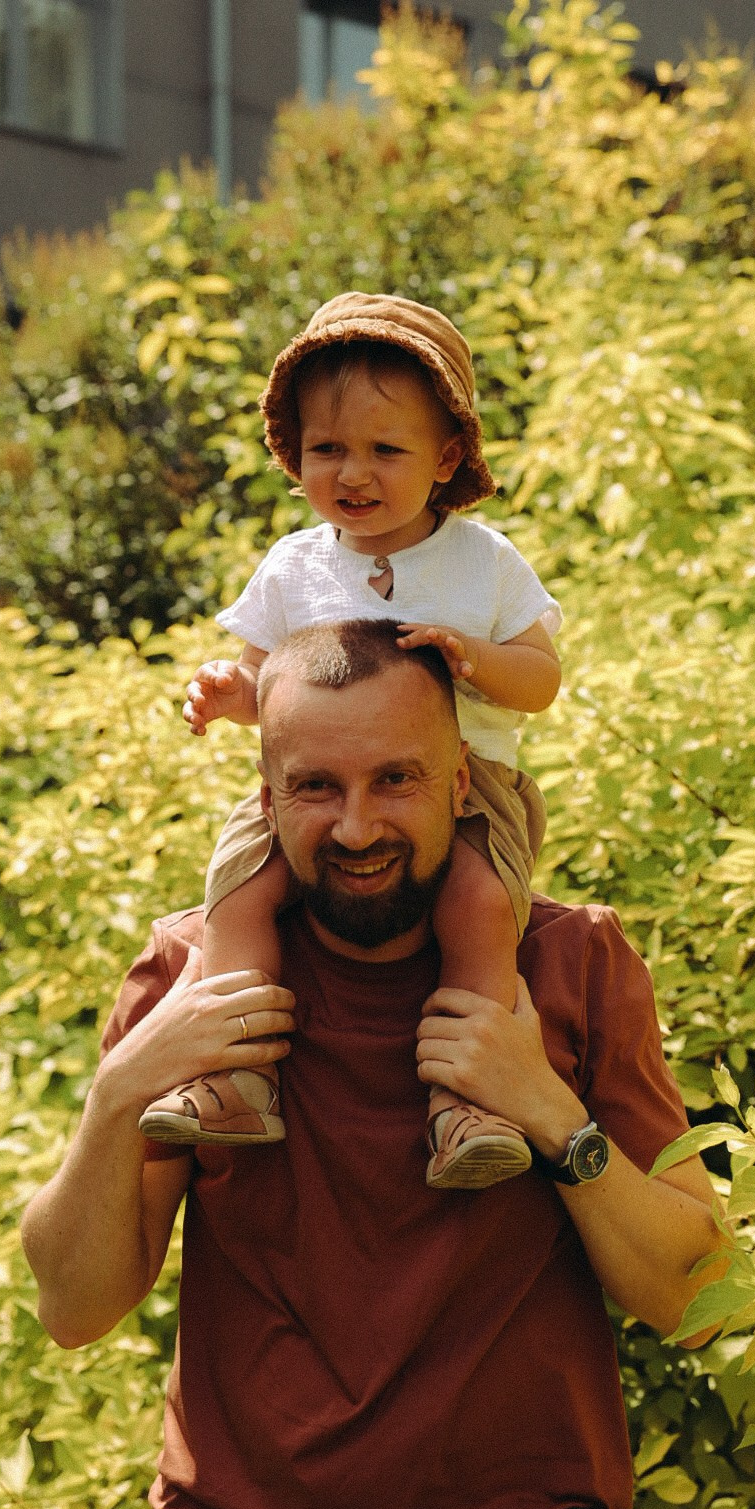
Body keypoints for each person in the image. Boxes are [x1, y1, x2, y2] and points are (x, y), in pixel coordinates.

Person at [21, 620, 726, 1509]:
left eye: (395, 780)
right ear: (265, 800)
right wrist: (120, 1090)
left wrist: (549, 1114)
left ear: (463, 786)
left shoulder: (573, 963)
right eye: (316, 787)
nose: (356, 828)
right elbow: (75, 1308)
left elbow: (700, 1297)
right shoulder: (192, 977)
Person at [139, 291, 562, 1192]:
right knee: (240, 895)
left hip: (466, 784)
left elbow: (544, 678)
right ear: (293, 453)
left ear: (446, 456)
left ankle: (469, 1101)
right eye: (327, 448)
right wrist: (232, 694)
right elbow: (271, 689)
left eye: (385, 449)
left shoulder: (481, 561)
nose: (353, 473)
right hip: (320, 790)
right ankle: (238, 1077)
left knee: (480, 910)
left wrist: (475, 659)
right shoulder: (295, 564)